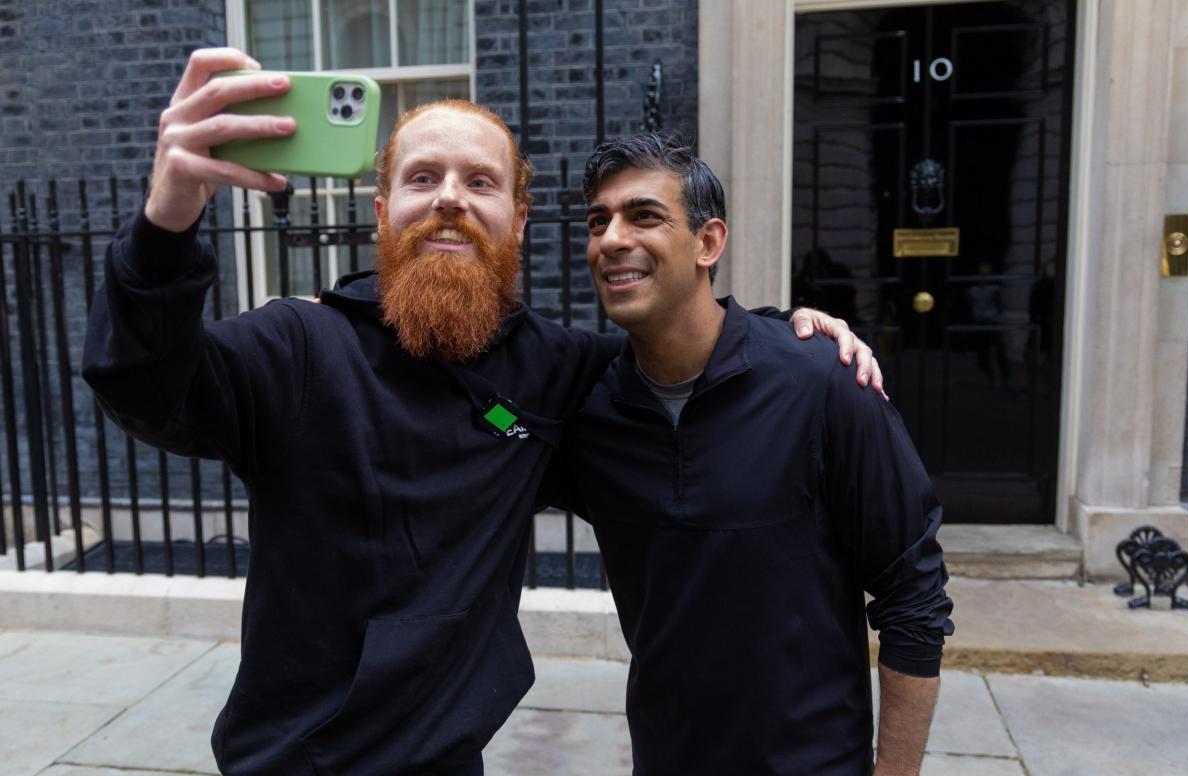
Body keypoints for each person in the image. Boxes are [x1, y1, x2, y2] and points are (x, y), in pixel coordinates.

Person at [81, 49, 882, 774]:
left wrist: (790, 331)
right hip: (296, 762)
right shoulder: (298, 346)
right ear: (382, 211)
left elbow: (689, 346)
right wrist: (167, 220)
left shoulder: (555, 369)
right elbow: (145, 384)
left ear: (518, 222)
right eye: (422, 179)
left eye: (480, 182)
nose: (450, 201)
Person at [550, 133, 954, 775]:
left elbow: (913, 594)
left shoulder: (822, 381)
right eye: (599, 222)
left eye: (643, 215)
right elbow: (491, 419)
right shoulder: (588, 413)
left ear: (708, 242)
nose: (611, 240)